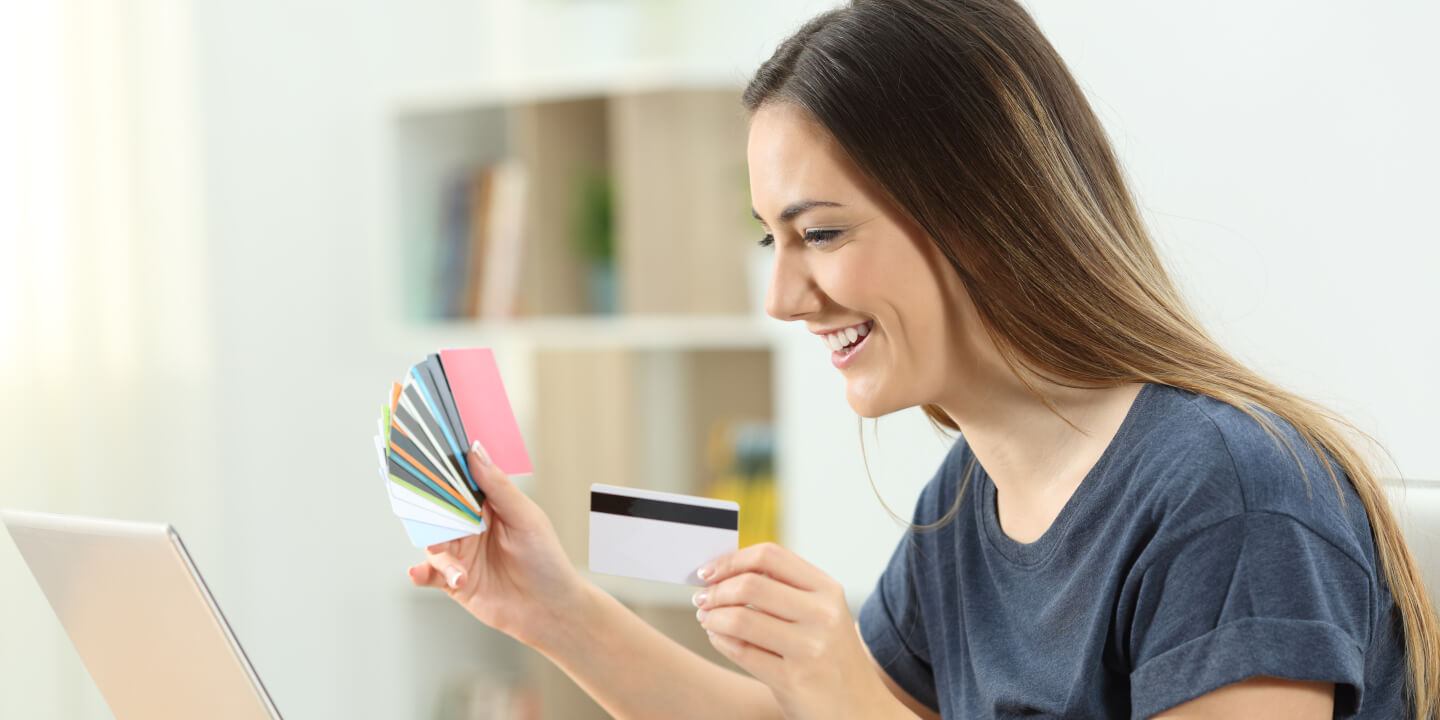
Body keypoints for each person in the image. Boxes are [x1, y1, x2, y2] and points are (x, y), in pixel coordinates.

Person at [408, 1, 1440, 717]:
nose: (782, 297)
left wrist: (849, 701)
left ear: (978, 216)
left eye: (821, 234)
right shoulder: (970, 501)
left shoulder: (1230, 494)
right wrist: (551, 609)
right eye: (773, 238)